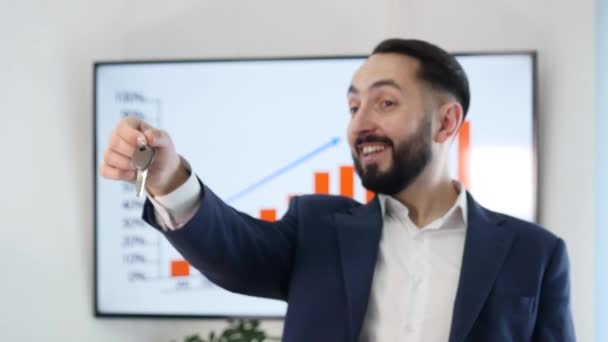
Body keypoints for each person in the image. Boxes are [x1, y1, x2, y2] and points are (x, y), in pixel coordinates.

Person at [100, 38, 576, 342]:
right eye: (353, 108)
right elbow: (234, 250)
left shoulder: (535, 255)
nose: (360, 124)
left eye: (385, 102)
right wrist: (168, 179)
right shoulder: (318, 227)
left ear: (447, 121)